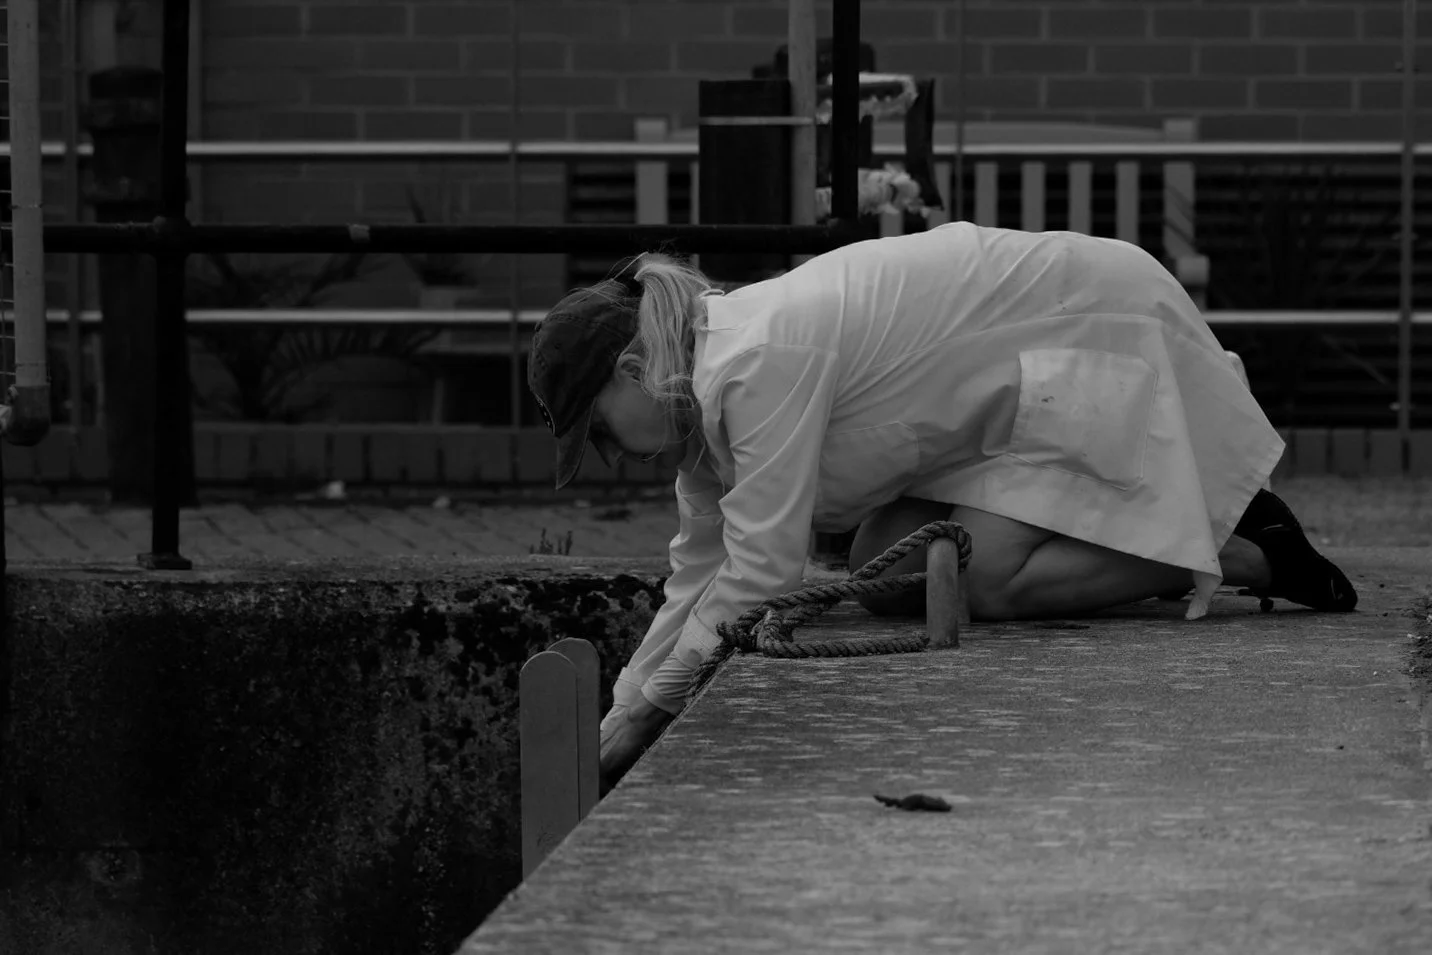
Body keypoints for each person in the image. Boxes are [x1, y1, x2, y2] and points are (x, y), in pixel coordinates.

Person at [526, 223, 1358, 789]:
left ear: (633, 372)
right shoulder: (704, 414)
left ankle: (1243, 543)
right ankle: (1202, 532)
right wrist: (623, 703)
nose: (611, 456)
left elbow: (761, 573)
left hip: (1088, 323)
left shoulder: (754, 361)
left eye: (599, 432)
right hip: (1000, 404)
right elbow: (696, 571)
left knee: (980, 578)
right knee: (891, 570)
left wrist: (648, 715)